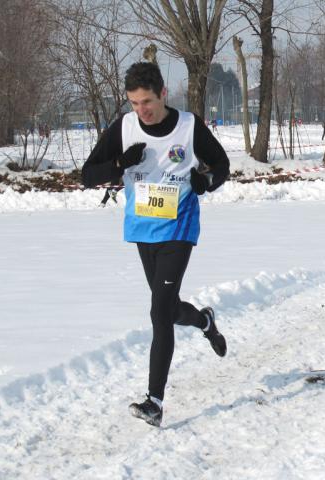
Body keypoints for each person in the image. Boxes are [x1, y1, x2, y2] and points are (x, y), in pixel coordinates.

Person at [81, 62, 230, 427]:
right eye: (133, 103)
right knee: (168, 309)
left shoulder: (189, 126)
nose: (141, 110)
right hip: (143, 228)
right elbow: (87, 176)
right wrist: (119, 163)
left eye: (146, 101)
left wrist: (203, 182)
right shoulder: (126, 127)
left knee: (157, 312)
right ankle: (204, 320)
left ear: (163, 94)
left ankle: (155, 401)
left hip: (179, 227)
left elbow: (222, 165)